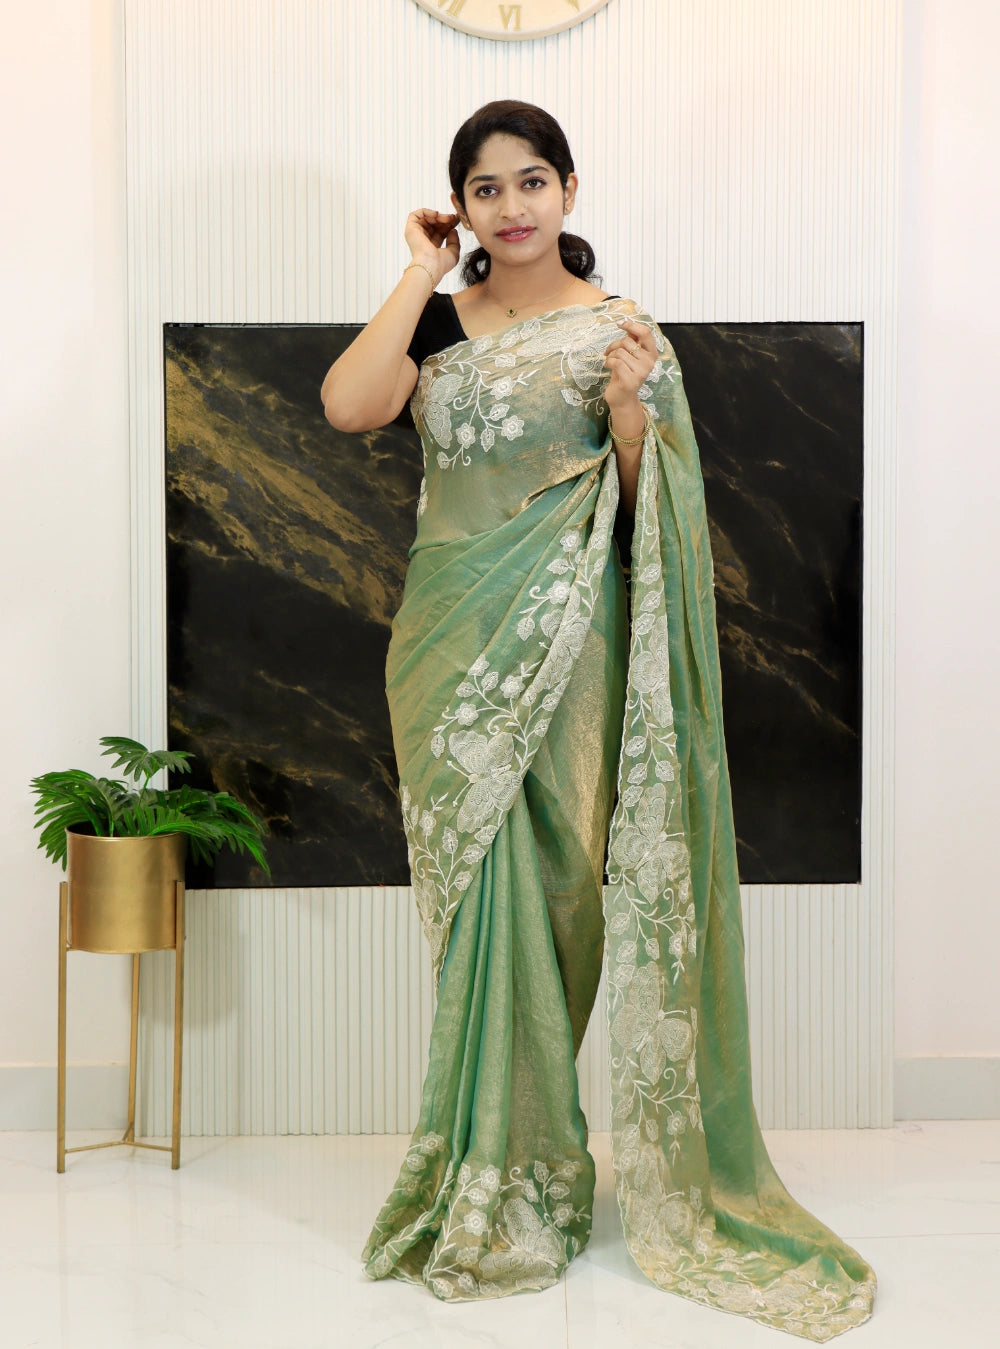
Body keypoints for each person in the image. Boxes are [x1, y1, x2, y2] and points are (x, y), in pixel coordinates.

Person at [322, 100, 874, 1340]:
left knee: (565, 895)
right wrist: (413, 273)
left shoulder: (622, 330)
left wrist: (630, 418)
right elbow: (352, 406)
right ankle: (491, 1169)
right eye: (482, 189)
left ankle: (539, 1169)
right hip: (446, 645)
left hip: (571, 646)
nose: (509, 207)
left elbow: (649, 507)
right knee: (473, 915)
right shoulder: (440, 317)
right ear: (456, 207)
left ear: (569, 190)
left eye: (531, 182)